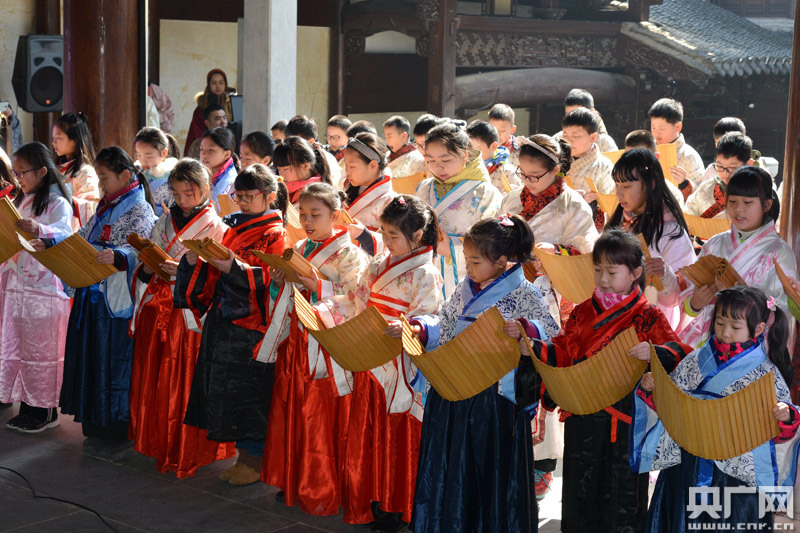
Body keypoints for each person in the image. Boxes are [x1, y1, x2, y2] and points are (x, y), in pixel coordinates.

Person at [522, 229, 691, 532]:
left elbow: (681, 352)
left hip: (626, 422)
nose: (602, 278)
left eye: (612, 271)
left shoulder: (648, 316)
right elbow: (563, 351)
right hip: (583, 417)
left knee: (623, 499)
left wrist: (655, 353)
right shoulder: (582, 311)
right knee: (580, 493)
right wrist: (536, 348)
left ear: (636, 273)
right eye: (597, 269)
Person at [408, 216, 560, 533]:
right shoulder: (465, 289)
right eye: (468, 261)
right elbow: (444, 324)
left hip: (494, 401)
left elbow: (552, 336)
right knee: (452, 471)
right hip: (453, 392)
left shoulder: (526, 293)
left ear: (503, 262)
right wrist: (421, 327)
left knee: (488, 473)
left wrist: (525, 333)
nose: (469, 269)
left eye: (475, 261)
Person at [633, 286, 800, 532]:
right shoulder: (695, 360)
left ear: (759, 329)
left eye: (735, 327)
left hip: (735, 471)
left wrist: (785, 415)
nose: (725, 332)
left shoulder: (767, 374)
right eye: (720, 323)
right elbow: (671, 404)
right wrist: (652, 389)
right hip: (688, 461)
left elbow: (782, 429)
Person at [261, 183, 369, 515]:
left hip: (327, 347)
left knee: (322, 415)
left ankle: (324, 485)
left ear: (336, 216)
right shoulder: (298, 246)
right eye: (303, 214)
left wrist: (315, 284)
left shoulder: (352, 255)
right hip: (297, 341)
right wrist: (279, 278)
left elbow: (356, 300)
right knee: (292, 406)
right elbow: (282, 291)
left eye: (316, 214)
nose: (308, 221)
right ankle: (294, 480)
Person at [176, 164, 288, 486]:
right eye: (238, 196)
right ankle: (242, 456)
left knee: (248, 395)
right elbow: (218, 270)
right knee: (224, 391)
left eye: (249, 197)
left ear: (269, 196)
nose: (241, 203)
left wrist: (231, 265)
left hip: (250, 325)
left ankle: (254, 459)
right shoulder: (233, 227)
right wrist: (198, 259)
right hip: (224, 320)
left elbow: (267, 276)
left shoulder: (275, 233)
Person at [342, 195, 443, 529]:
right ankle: (372, 496)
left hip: (400, 363)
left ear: (417, 236)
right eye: (383, 232)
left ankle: (397, 503)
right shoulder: (379, 262)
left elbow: (429, 319)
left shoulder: (426, 273)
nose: (385, 240)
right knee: (370, 431)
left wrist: (409, 326)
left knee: (396, 436)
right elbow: (359, 295)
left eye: (392, 235)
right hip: (372, 354)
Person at [128, 158, 234, 478]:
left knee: (183, 381)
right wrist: (149, 263)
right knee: (154, 377)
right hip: (158, 304)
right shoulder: (165, 221)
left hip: (189, 314)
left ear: (204, 190)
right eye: (177, 194)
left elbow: (221, 276)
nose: (183, 200)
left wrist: (187, 271)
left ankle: (185, 446)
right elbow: (153, 253)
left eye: (189, 194)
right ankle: (157, 440)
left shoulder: (218, 227)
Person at [60, 147, 157, 441]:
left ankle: (114, 423)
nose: (101, 184)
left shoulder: (141, 208)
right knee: (91, 359)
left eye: (104, 177)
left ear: (125, 175)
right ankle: (92, 418)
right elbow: (83, 238)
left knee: (114, 363)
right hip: (92, 297)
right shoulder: (105, 206)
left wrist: (118, 256)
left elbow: (142, 248)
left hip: (115, 302)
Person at [679, 166, 796, 348]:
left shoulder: (779, 252)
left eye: (747, 203)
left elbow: (783, 308)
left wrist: (747, 299)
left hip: (752, 348)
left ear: (767, 205)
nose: (738, 209)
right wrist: (694, 303)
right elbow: (690, 287)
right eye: (732, 201)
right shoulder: (714, 243)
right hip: (710, 336)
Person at [1, 143, 73, 433]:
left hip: (43, 287)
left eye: (23, 172)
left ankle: (45, 411)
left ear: (43, 171)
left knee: (42, 353)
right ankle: (26, 407)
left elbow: (66, 234)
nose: (18, 178)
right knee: (19, 348)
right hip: (17, 283)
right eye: (15, 172)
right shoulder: (22, 199)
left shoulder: (58, 203)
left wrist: (40, 230)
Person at [606, 148, 695, 330]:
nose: (619, 193)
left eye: (627, 186)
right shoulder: (620, 220)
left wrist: (664, 274)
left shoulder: (669, 229)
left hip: (652, 320)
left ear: (650, 184)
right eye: (617, 185)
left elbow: (685, 291)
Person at [414, 122, 502, 298]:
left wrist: (452, 250)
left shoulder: (486, 192)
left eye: (446, 160)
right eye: (430, 160)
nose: (438, 168)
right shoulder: (424, 187)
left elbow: (493, 246)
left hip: (466, 280)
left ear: (464, 155)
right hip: (425, 277)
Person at [561, 108, 615, 231]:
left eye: (575, 136)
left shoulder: (603, 166)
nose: (569, 140)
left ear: (593, 138)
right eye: (565, 134)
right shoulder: (557, 159)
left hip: (585, 229)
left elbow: (609, 207)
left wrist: (590, 200)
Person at [342, 133, 396, 256]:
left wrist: (364, 236)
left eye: (352, 166)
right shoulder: (348, 190)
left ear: (372, 165)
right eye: (345, 165)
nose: (347, 171)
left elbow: (393, 245)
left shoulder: (390, 201)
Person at [685, 132, 753, 219]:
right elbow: (689, 215)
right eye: (719, 166)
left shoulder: (759, 191)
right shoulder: (705, 189)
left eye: (732, 168)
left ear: (748, 164)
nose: (725, 174)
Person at [52, 112, 100, 230]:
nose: (53, 143)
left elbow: (91, 206)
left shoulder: (86, 171)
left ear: (74, 140)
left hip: (72, 230)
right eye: (53, 138)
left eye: (58, 138)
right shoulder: (58, 168)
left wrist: (58, 199)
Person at [648, 98, 704, 195]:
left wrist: (684, 183)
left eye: (661, 129)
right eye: (653, 127)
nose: (656, 133)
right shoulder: (647, 151)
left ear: (678, 127)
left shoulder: (689, 156)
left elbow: (701, 193)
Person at [622, 129, 686, 209]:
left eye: (640, 159)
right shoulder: (619, 190)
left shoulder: (671, 195)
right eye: (628, 158)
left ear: (655, 158)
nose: (633, 164)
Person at [284, 115, 343, 189]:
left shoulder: (327, 159)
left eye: (295, 144)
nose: (289, 148)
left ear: (311, 141)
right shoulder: (288, 157)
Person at [185, 69, 235, 155]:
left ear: (225, 85)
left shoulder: (233, 104)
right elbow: (196, 133)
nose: (218, 86)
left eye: (221, 83)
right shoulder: (202, 106)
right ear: (209, 85)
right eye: (214, 83)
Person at [552, 88, 618, 152]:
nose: (571, 119)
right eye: (568, 115)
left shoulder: (604, 143)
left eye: (577, 115)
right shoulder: (557, 140)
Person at [272, 136, 332, 205]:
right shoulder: (281, 190)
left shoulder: (317, 195)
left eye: (285, 169)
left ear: (305, 166)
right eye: (279, 169)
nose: (281, 175)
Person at [134, 127, 179, 217]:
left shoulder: (172, 177)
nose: (143, 160)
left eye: (149, 156)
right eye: (139, 155)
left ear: (164, 153)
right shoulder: (137, 172)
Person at [466, 119, 521, 192]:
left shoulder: (507, 172)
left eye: (477, 150)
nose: (471, 154)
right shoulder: (464, 168)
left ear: (494, 146)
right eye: (468, 150)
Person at [199, 127, 240, 213]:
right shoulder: (201, 173)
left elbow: (226, 217)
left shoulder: (232, 183)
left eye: (211, 150)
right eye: (202, 149)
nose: (204, 155)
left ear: (227, 154)